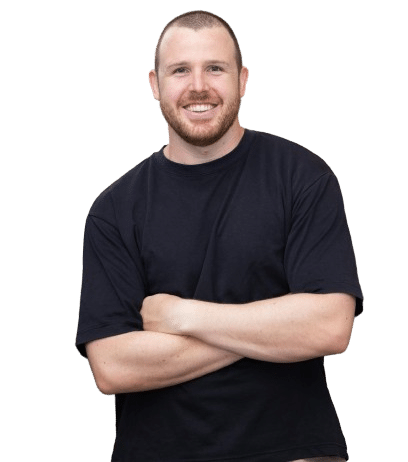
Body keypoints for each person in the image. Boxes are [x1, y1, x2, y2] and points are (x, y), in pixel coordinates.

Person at [75, 10, 364, 462]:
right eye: (180, 70)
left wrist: (181, 315)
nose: (199, 86)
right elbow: (112, 367)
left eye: (215, 68)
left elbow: (329, 327)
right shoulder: (113, 210)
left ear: (242, 79)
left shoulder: (303, 176)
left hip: (295, 451)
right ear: (154, 84)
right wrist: (272, 332)